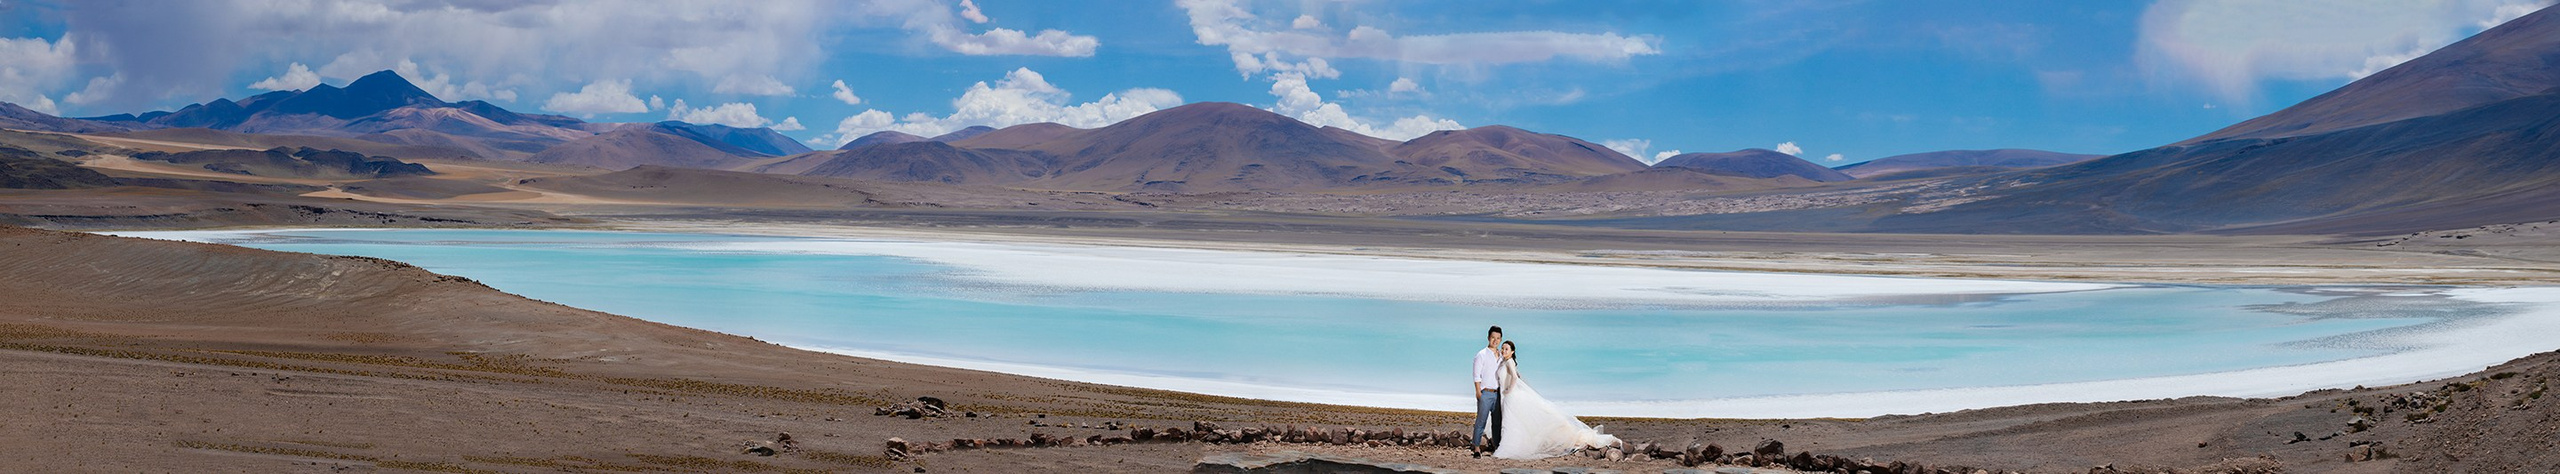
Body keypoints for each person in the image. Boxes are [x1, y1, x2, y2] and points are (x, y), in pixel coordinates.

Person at [1492, 341, 1623, 459]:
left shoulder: (1509, 362)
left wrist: (1508, 390)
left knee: (1511, 422)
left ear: (1512, 351)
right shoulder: (1505, 361)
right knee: (1515, 422)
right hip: (1509, 396)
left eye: (1506, 349)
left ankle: (1509, 447)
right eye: (1502, 349)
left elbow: (1514, 377)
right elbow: (1515, 375)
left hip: (1511, 396)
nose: (1504, 351)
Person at [1472, 325, 1504, 458]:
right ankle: (1477, 448)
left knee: (1497, 422)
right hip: (1485, 393)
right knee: (1481, 421)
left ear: (1500, 339)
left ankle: (1497, 446)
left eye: (1498, 338)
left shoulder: (1502, 355)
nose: (1495, 341)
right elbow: (1476, 375)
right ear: (1488, 338)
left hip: (1498, 394)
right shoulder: (1481, 355)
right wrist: (1478, 392)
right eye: (1493, 338)